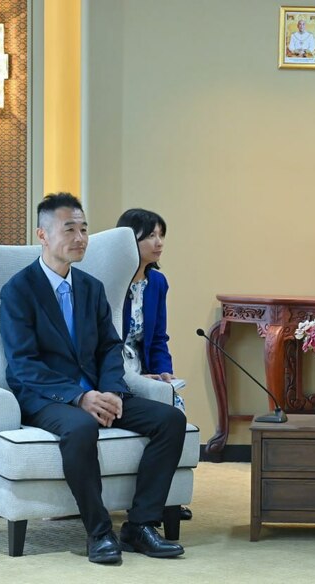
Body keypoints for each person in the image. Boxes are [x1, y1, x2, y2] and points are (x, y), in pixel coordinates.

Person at [0, 193, 187, 564]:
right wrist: (79, 398)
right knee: (81, 427)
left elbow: (109, 347)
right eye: (69, 229)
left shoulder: (91, 287)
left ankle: (140, 525)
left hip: (99, 391)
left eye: (84, 229)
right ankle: (99, 532)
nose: (80, 238)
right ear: (42, 234)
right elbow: (23, 364)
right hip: (48, 398)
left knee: (170, 419)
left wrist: (113, 391)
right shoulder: (19, 290)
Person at [115, 208, 192, 521]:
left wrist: (163, 372)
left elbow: (158, 337)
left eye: (161, 235)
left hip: (143, 365)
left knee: (175, 405)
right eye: (149, 236)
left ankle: (166, 498)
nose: (158, 242)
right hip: (116, 366)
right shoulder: (110, 281)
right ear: (127, 241)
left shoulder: (157, 282)